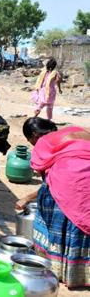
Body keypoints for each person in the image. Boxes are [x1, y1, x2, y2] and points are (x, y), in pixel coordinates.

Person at [15, 117, 90, 288]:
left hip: (72, 186)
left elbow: (49, 185)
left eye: (29, 141)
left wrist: (26, 198)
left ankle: (59, 269)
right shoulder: (74, 130)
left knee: (54, 209)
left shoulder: (44, 143)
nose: (32, 144)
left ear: (34, 135)